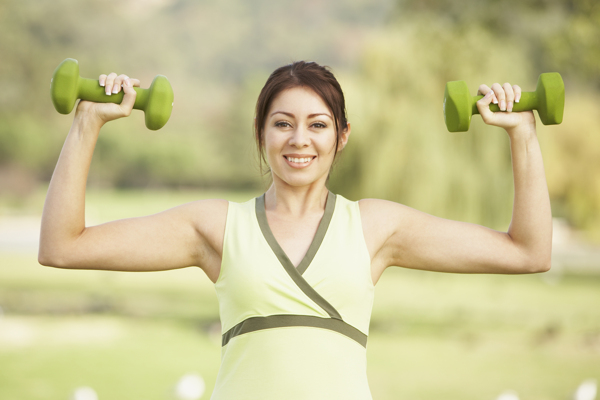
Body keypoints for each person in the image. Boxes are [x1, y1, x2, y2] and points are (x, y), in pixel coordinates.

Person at [39, 61, 552, 399]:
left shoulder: (375, 226)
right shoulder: (216, 226)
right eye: (282, 123)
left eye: (318, 124)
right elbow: (63, 246)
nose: (298, 139)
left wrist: (522, 134)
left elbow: (529, 252)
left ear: (342, 136)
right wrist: (87, 123)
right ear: (260, 134)